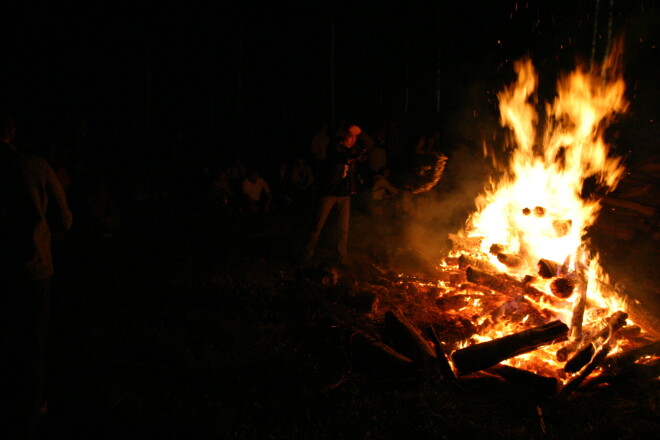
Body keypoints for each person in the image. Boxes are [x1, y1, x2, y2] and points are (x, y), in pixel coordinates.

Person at [0, 112, 73, 439]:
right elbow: (64, 219)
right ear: (12, 132)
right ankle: (29, 410)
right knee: (31, 342)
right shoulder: (35, 166)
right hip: (32, 269)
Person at [302, 123, 366, 268]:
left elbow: (356, 161)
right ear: (344, 135)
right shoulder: (334, 146)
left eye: (355, 137)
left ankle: (342, 258)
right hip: (329, 192)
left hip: (345, 194)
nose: (353, 139)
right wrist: (356, 156)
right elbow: (342, 158)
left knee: (343, 229)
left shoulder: (355, 148)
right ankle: (306, 256)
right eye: (351, 136)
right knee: (317, 226)